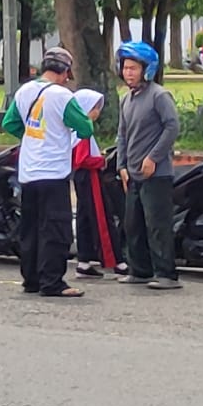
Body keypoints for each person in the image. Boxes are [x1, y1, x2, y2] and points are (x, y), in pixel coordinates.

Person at [1, 46, 95, 298]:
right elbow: (85, 128)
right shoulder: (62, 96)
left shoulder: (24, 91)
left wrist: (33, 137)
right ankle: (52, 282)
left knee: (30, 227)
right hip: (53, 173)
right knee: (55, 229)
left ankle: (31, 279)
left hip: (28, 172)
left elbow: (9, 122)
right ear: (64, 71)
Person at [116, 41, 182, 290]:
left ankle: (166, 274)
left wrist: (153, 157)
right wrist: (121, 165)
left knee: (157, 225)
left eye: (133, 68)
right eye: (125, 68)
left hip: (157, 174)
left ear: (147, 69)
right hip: (133, 173)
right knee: (133, 224)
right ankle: (140, 270)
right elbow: (122, 135)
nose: (128, 73)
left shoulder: (159, 96)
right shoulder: (126, 99)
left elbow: (172, 127)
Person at [69, 89, 127, 280]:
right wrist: (101, 161)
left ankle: (84, 262)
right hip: (90, 176)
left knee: (85, 218)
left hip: (81, 177)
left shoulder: (74, 130)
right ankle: (116, 261)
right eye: (94, 108)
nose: (97, 112)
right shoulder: (84, 131)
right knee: (101, 217)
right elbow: (82, 159)